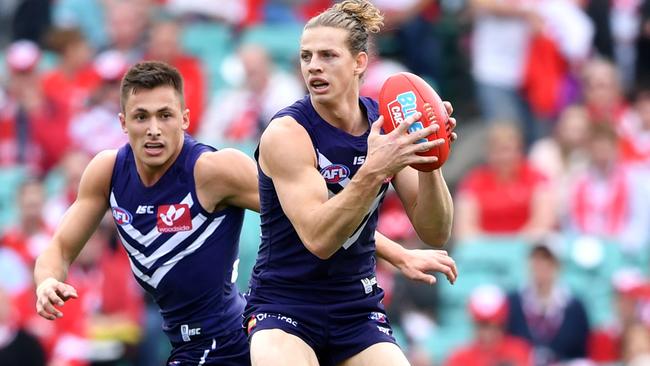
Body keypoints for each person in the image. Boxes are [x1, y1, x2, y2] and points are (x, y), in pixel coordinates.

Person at [33, 60, 458, 365]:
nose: (154, 128)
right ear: (123, 123)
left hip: (233, 339)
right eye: (141, 117)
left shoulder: (216, 170)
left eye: (165, 115)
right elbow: (59, 247)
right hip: (186, 343)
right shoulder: (107, 171)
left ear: (185, 118)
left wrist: (399, 254)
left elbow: (313, 214)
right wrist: (47, 281)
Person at [244, 1, 457, 365]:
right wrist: (373, 170)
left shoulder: (386, 126)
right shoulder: (288, 134)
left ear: (360, 62)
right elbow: (319, 239)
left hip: (355, 307)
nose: (313, 66)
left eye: (328, 55)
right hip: (285, 307)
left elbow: (435, 231)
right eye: (306, 56)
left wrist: (430, 156)